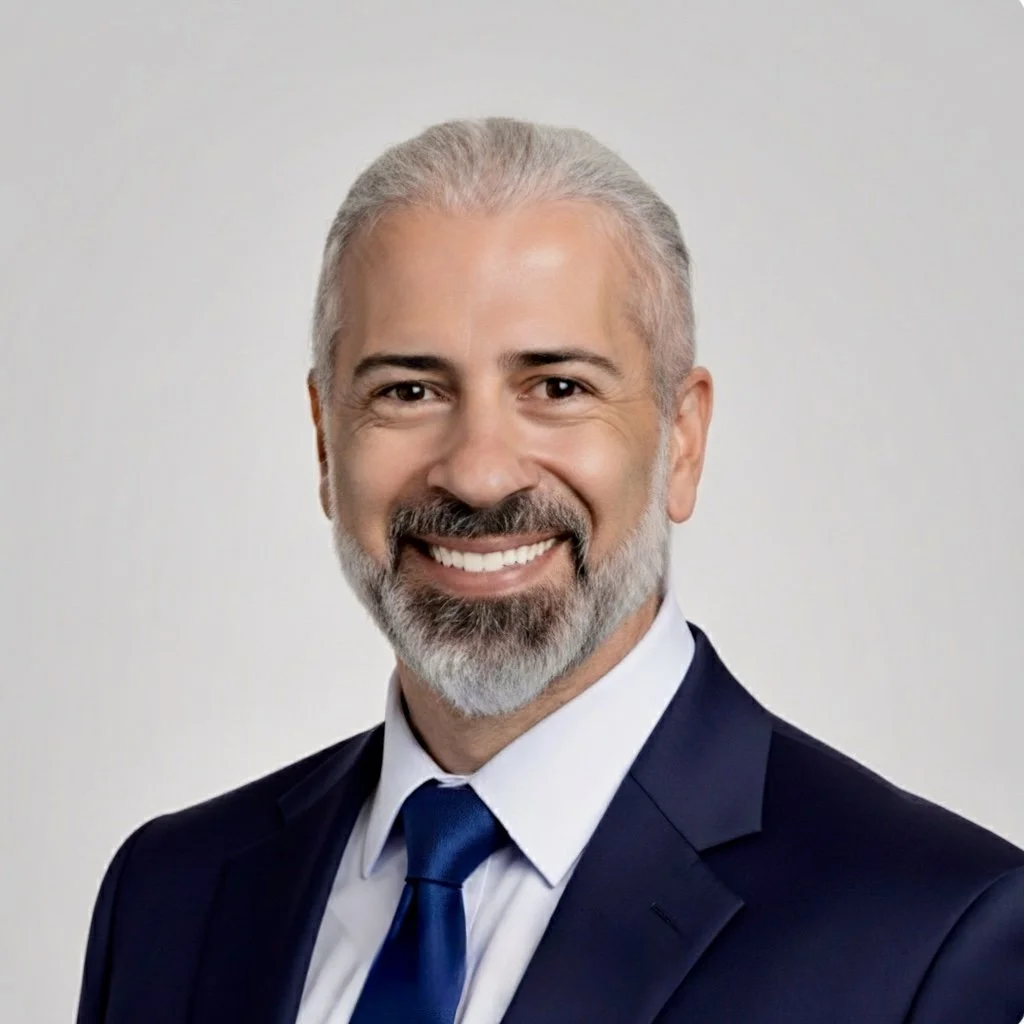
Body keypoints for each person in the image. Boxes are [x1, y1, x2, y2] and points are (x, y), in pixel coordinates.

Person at [75, 117, 1024, 1024]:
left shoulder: (931, 931)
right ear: (326, 442)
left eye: (558, 388)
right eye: (409, 390)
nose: (480, 472)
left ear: (682, 440)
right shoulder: (171, 897)